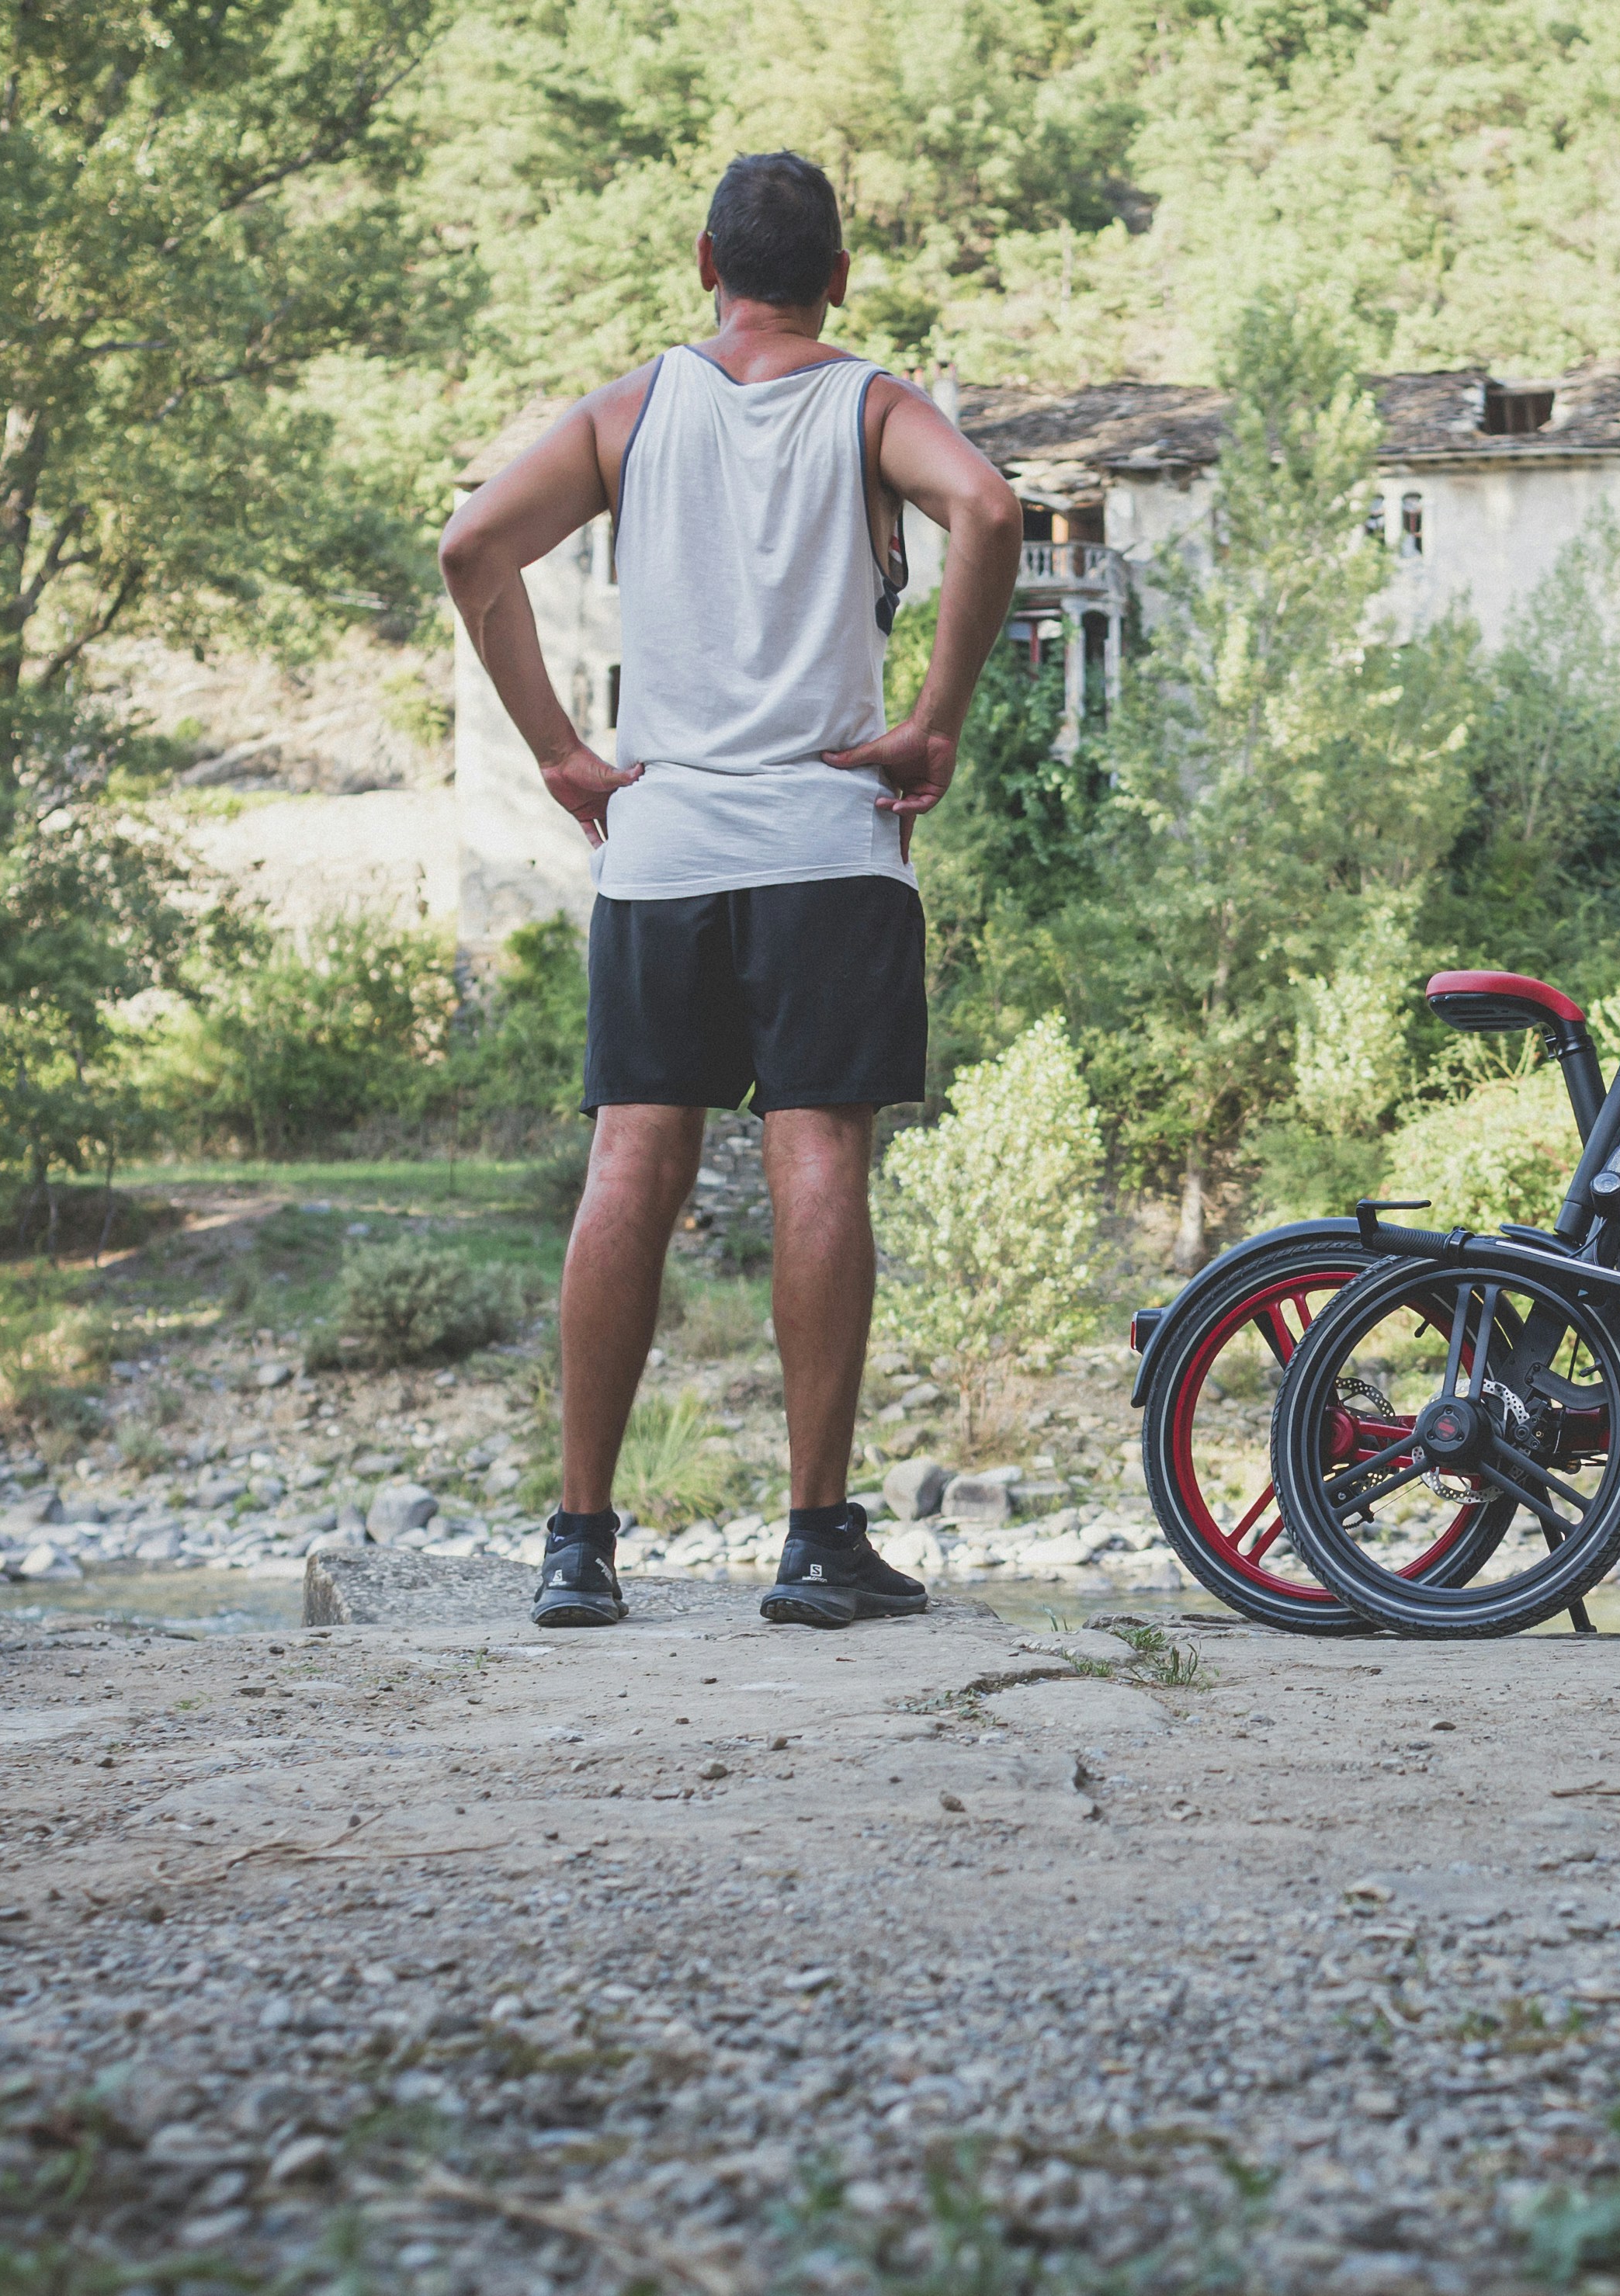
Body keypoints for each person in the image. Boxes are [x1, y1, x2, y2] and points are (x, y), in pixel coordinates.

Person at [439, 151, 1023, 1631]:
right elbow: (992, 514)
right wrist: (933, 720)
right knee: (816, 1158)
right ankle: (816, 1538)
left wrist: (563, 753)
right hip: (829, 842)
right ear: (840, 276)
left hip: (664, 850)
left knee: (630, 1162)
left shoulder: (629, 413)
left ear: (704, 261)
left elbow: (471, 550)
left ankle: (579, 1543)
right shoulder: (870, 402)